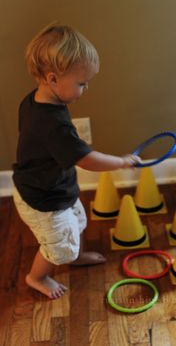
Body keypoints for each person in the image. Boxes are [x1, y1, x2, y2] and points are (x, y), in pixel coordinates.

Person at [12, 23, 140, 299]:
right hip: (42, 198)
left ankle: (75, 254)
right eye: (81, 83)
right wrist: (121, 162)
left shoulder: (34, 100)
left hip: (53, 185)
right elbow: (87, 160)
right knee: (58, 246)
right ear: (53, 78)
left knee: (77, 222)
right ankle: (38, 276)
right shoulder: (53, 124)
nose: (86, 89)